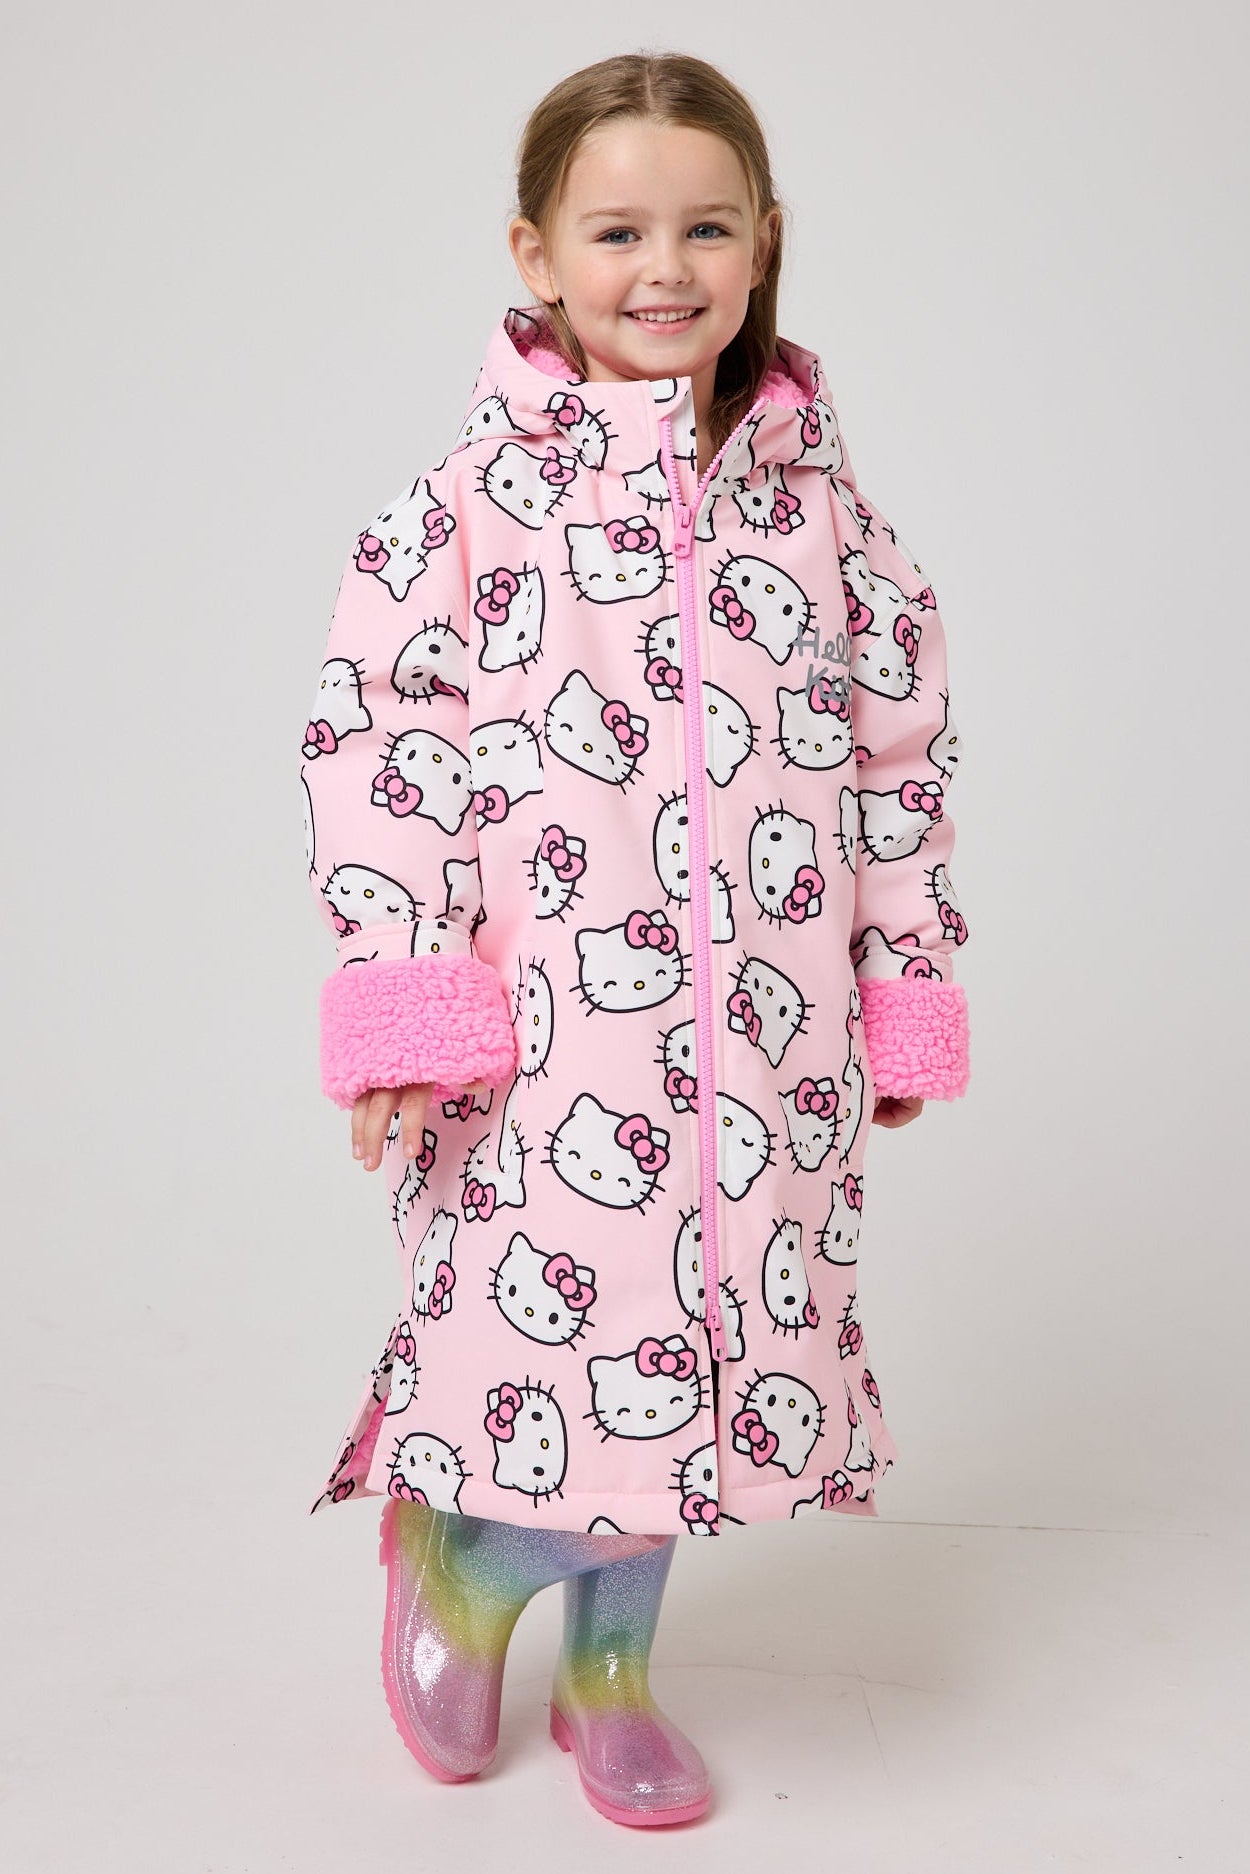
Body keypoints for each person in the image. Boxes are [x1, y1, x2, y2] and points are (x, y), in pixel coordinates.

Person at [298, 49, 971, 1828]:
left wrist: (897, 982)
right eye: (616, 232)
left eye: (705, 228)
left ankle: (612, 1665)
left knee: (713, 1342)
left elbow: (897, 756)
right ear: (535, 253)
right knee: (563, 1336)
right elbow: (380, 743)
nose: (663, 267)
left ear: (764, 242)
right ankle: (465, 1554)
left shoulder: (821, 512)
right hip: (543, 1031)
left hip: (768, 1029)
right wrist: (405, 995)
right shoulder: (464, 508)